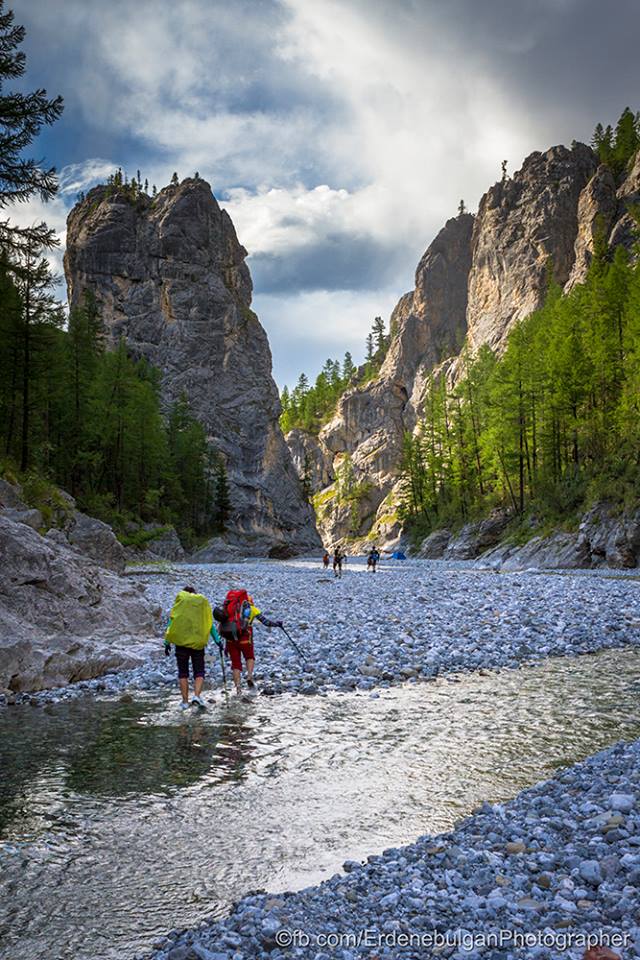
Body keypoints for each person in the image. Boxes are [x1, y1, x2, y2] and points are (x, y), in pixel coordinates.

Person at [214, 589, 283, 696]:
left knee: (235, 664)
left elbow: (221, 626)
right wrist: (277, 624)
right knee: (249, 657)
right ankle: (249, 676)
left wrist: (224, 646)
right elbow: (266, 622)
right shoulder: (252, 609)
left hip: (230, 640)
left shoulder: (228, 610)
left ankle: (238, 689)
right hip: (245, 638)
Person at [164, 586, 222, 710]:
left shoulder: (180, 606)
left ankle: (185, 702)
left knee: (183, 673)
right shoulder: (200, 608)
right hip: (197, 644)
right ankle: (196, 696)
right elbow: (209, 625)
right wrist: (218, 641)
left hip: (181, 645)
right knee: (199, 671)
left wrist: (167, 643)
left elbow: (171, 624)